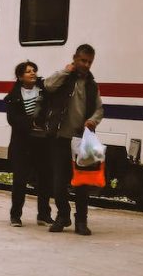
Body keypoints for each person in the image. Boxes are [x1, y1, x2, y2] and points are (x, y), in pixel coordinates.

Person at [42, 44, 103, 236]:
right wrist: (64, 70)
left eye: (89, 62)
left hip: (82, 139)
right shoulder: (65, 78)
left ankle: (81, 221)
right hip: (61, 137)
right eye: (83, 60)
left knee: (82, 184)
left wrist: (93, 120)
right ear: (75, 58)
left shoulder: (92, 85)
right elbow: (48, 85)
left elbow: (99, 109)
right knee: (59, 183)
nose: (86, 65)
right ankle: (63, 215)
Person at [3, 60, 53, 228]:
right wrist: (29, 124)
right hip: (22, 143)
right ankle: (15, 215)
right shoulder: (13, 96)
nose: (32, 73)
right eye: (28, 71)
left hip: (42, 142)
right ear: (20, 76)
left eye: (34, 70)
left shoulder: (44, 91)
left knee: (45, 179)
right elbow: (12, 119)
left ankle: (44, 215)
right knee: (20, 181)